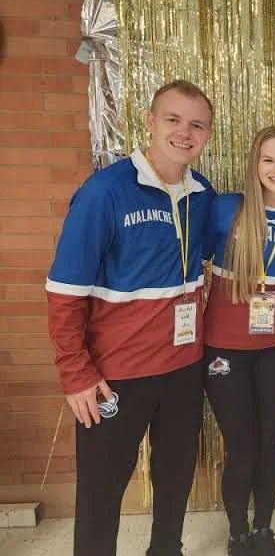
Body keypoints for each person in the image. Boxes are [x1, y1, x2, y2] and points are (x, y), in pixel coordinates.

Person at [46, 80, 215, 556]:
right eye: (173, 120)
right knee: (101, 492)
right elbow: (64, 293)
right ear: (150, 121)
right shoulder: (104, 192)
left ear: (207, 134)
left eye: (197, 125)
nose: (184, 133)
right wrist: (75, 372)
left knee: (175, 477)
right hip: (115, 374)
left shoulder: (202, 194)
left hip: (184, 367)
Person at [203, 125, 275, 555]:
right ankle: (237, 533)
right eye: (268, 159)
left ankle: (263, 530)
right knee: (242, 446)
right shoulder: (225, 208)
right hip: (223, 348)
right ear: (254, 164)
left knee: (268, 444)